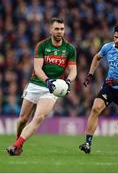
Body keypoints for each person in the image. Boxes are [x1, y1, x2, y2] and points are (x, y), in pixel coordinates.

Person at [6, 18, 77, 155]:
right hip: (35, 84)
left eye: (62, 29)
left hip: (52, 89)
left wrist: (68, 81)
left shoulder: (70, 49)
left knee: (38, 117)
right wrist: (47, 80)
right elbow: (37, 68)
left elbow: (73, 70)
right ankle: (18, 142)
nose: (59, 32)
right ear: (50, 30)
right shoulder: (42, 46)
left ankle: (16, 145)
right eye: (56, 29)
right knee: (22, 119)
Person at [79, 24, 118, 154]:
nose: (117, 40)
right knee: (95, 108)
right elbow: (97, 57)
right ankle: (87, 143)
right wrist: (90, 74)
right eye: (115, 37)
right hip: (110, 86)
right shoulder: (108, 47)